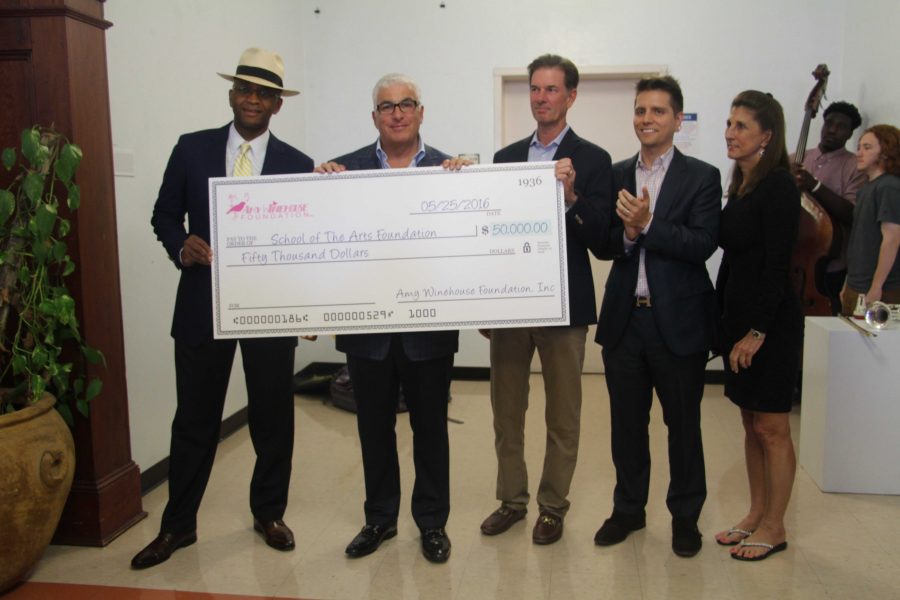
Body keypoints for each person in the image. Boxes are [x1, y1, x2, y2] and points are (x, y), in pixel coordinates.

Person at [133, 48, 314, 569]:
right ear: (232, 94)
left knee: (273, 416)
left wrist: (305, 308)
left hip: (269, 310)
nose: (253, 99)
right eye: (245, 89)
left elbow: (304, 245)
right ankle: (178, 527)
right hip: (200, 306)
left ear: (277, 105)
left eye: (264, 93)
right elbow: (163, 214)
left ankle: (268, 513)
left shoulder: (296, 165)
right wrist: (180, 243)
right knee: (194, 419)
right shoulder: (192, 150)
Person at [316, 73, 468, 564]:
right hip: (368, 333)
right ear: (375, 117)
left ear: (421, 112)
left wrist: (473, 186)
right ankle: (379, 519)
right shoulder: (345, 171)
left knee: (431, 429)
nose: (397, 113)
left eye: (407, 104)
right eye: (387, 106)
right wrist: (318, 193)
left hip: (429, 330)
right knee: (373, 430)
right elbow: (324, 240)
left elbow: (468, 243)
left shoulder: (452, 170)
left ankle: (432, 523)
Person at [479, 54, 611, 545]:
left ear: (571, 96)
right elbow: (492, 236)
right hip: (512, 307)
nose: (541, 98)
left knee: (564, 415)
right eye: (535, 89)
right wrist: (487, 303)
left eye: (552, 90)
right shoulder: (505, 158)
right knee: (506, 413)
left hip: (565, 307)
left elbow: (603, 240)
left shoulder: (594, 160)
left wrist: (574, 197)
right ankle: (511, 501)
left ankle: (552, 506)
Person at [592, 76, 720, 558]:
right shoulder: (618, 173)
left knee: (683, 426)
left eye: (658, 111)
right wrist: (625, 235)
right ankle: (628, 510)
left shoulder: (702, 177)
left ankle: (685, 517)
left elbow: (702, 244)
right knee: (627, 426)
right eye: (640, 110)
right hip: (626, 322)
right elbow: (605, 243)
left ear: (676, 119)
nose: (646, 119)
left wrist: (647, 226)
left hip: (678, 324)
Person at [714, 90, 802, 562]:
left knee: (772, 428)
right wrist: (722, 322)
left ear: (766, 136)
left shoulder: (779, 187)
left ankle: (775, 525)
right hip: (739, 323)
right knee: (750, 425)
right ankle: (755, 513)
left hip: (770, 326)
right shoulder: (741, 184)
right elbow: (733, 260)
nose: (730, 133)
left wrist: (757, 331)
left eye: (741, 125)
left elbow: (776, 266)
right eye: (729, 124)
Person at [791, 101, 867, 313]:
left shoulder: (855, 166)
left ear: (850, 133)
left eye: (841, 126)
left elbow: (851, 213)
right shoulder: (797, 158)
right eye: (829, 123)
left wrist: (814, 185)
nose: (832, 130)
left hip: (827, 262)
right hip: (791, 255)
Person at [840, 124, 900, 313]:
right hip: (857, 284)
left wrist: (876, 286)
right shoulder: (866, 188)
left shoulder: (889, 187)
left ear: (885, 153)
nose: (859, 153)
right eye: (859, 147)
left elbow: (892, 239)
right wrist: (847, 282)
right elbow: (858, 239)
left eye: (867, 148)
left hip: (880, 288)